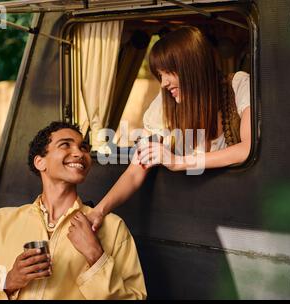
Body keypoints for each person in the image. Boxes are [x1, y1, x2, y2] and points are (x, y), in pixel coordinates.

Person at [0, 121, 147, 300]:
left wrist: (95, 256)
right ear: (40, 162)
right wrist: (9, 281)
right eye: (65, 145)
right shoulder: (0, 223)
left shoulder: (112, 227)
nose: (80, 153)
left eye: (84, 148)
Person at [88, 26, 251, 231]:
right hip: (190, 217)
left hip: (239, 215)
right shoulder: (163, 105)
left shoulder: (238, 85)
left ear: (192, 66)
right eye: (159, 75)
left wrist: (179, 162)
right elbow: (134, 172)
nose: (163, 83)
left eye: (168, 73)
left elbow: (247, 148)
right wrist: (99, 211)